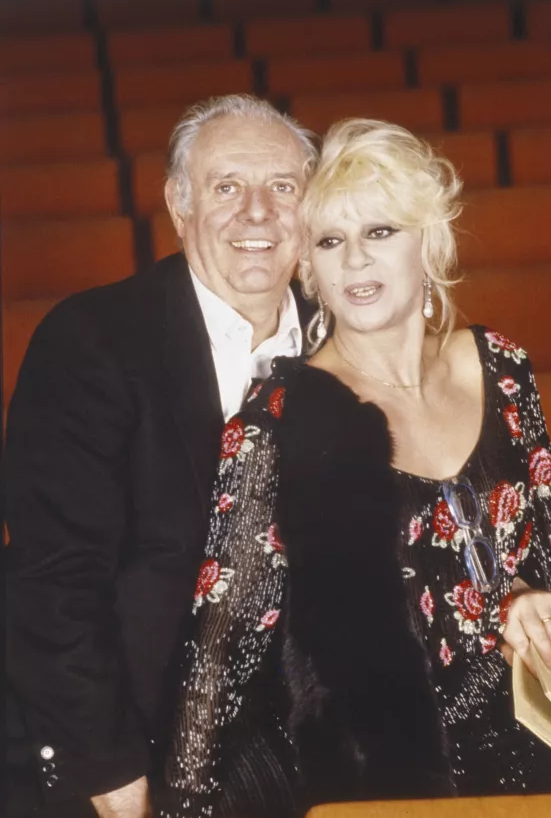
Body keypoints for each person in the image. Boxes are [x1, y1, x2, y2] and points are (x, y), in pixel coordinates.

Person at [158, 118, 551, 817]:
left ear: (430, 241)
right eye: (331, 241)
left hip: (546, 741)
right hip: (392, 783)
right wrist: (184, 801)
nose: (355, 260)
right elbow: (224, 650)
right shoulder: (278, 418)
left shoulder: (502, 367)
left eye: (381, 232)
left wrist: (530, 601)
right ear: (310, 267)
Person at [4, 94, 318, 818]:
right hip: (134, 740)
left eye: (282, 187)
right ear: (179, 205)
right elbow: (54, 576)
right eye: (226, 187)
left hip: (307, 743)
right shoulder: (94, 341)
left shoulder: (346, 341)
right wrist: (111, 773)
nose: (258, 214)